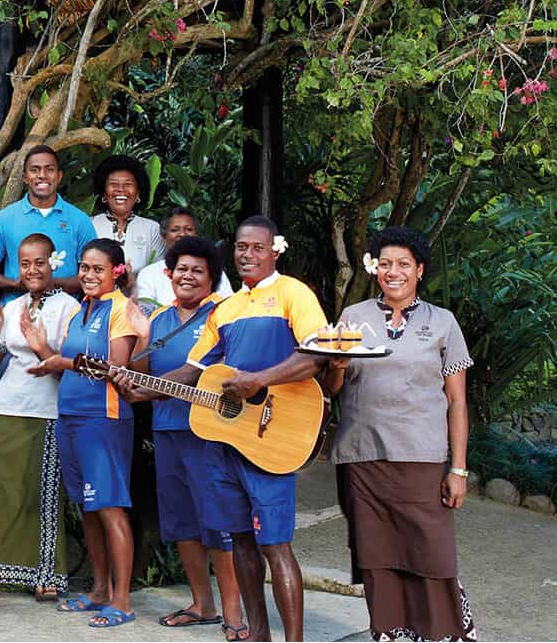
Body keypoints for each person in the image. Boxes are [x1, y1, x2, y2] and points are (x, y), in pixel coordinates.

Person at [325, 227, 474, 640]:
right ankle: (389, 634)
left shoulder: (442, 323)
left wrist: (457, 469)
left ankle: (444, 634)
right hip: (362, 457)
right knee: (377, 556)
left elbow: (457, 402)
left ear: (419, 270)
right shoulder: (354, 317)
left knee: (432, 554)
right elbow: (333, 389)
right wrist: (335, 367)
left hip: (422, 461)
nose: (394, 272)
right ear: (375, 269)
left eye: (404, 264)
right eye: (385, 263)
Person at [192, 215, 329, 642]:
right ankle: (258, 634)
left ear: (274, 251)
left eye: (256, 248)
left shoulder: (293, 294)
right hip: (226, 441)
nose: (246, 255)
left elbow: (317, 356)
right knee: (240, 541)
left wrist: (259, 381)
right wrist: (139, 383)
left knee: (274, 546)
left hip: (272, 436)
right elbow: (194, 369)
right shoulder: (225, 309)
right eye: (240, 247)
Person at [112, 237, 245, 639]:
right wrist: (124, 380)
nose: (188, 276)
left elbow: (231, 371)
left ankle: (235, 613)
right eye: (181, 269)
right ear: (169, 274)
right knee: (182, 523)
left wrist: (152, 387)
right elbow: (140, 382)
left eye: (198, 271)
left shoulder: (223, 316)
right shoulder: (159, 321)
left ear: (212, 279)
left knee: (217, 522)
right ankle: (202, 604)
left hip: (212, 434)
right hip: (168, 430)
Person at [0, 233, 81, 601]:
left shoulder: (69, 307)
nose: (32, 270)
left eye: (39, 262)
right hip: (4, 406)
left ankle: (46, 574)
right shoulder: (11, 307)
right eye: (24, 264)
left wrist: (40, 344)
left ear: (52, 264)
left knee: (40, 493)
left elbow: (69, 367)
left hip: (46, 410)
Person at [27, 238, 140, 629]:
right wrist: (44, 351)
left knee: (109, 507)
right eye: (84, 268)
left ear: (117, 272)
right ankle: (99, 590)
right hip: (71, 416)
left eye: (98, 269)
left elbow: (114, 366)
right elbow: (68, 365)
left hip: (103, 419)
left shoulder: (123, 310)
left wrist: (59, 359)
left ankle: (122, 600)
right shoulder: (81, 310)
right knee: (89, 508)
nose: (89, 275)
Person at [0, 145, 97, 302]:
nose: (42, 175)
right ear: (25, 177)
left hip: (65, 316)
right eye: (34, 170)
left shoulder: (79, 220)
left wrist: (47, 284)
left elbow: (93, 273)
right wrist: (15, 284)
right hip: (15, 314)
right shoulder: (4, 219)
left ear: (59, 175)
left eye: (49, 169)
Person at [135, 208, 234, 311]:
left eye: (189, 229)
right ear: (164, 237)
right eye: (175, 230)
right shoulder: (149, 273)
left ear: (197, 235)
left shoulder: (212, 268)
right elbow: (144, 313)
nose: (182, 234)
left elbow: (227, 306)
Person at [90, 155, 165, 283]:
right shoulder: (89, 224)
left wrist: (132, 279)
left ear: (138, 193)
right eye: (113, 184)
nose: (120, 189)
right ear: (103, 192)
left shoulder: (152, 228)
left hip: (139, 300)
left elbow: (158, 274)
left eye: (128, 184)